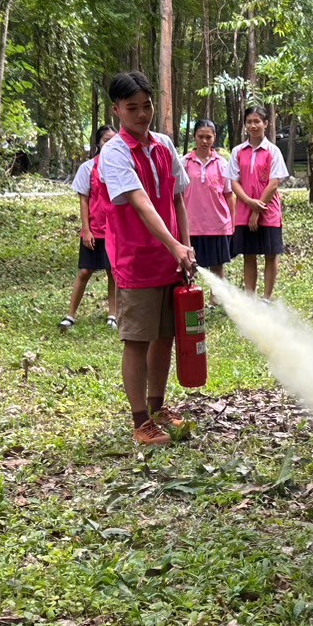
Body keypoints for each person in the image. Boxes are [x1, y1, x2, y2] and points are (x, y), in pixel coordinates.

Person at [98, 71, 196, 448]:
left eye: (147, 105)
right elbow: (140, 203)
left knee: (165, 336)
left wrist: (185, 248)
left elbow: (177, 199)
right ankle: (141, 422)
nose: (142, 114)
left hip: (170, 259)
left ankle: (158, 407)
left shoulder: (165, 145)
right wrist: (174, 245)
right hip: (136, 260)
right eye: (132, 108)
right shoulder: (115, 153)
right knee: (137, 340)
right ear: (116, 110)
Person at [228, 106, 287, 301]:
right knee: (249, 254)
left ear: (265, 124)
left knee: (271, 254)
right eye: (249, 122)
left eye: (257, 121)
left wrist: (257, 209)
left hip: (269, 211)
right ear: (245, 125)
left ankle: (267, 298)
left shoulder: (273, 151)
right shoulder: (238, 151)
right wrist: (248, 202)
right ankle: (250, 298)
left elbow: (274, 182)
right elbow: (234, 181)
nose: (253, 126)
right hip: (244, 211)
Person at [63, 125, 118, 331]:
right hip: (94, 229)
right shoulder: (88, 168)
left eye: (114, 140)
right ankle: (71, 315)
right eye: (106, 140)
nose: (110, 144)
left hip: (115, 231)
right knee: (85, 271)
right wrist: (86, 230)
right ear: (98, 144)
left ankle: (113, 314)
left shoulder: (121, 167)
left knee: (113, 272)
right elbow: (84, 200)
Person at [184, 119, 236, 283]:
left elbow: (229, 195)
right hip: (191, 226)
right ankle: (193, 296)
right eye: (200, 137)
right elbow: (176, 196)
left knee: (217, 268)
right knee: (189, 267)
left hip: (218, 225)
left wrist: (232, 223)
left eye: (208, 137)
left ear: (214, 138)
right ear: (194, 136)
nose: (204, 141)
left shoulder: (222, 164)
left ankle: (216, 297)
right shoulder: (184, 163)